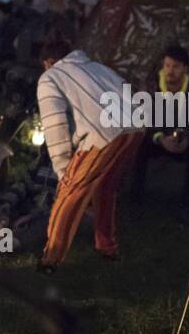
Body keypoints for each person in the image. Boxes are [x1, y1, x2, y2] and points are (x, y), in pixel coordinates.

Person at [36, 38, 143, 270]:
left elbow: (55, 125)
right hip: (135, 124)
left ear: (47, 62)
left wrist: (63, 169)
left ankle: (50, 260)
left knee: (69, 193)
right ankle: (107, 247)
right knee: (105, 187)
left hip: (104, 131)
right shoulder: (98, 67)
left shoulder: (50, 77)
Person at [127, 45, 189, 218]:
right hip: (157, 138)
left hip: (183, 140)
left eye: (176, 66)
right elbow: (143, 119)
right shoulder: (151, 87)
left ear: (185, 69)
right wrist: (160, 137)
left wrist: (187, 138)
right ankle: (134, 199)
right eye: (167, 66)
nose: (170, 71)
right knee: (137, 143)